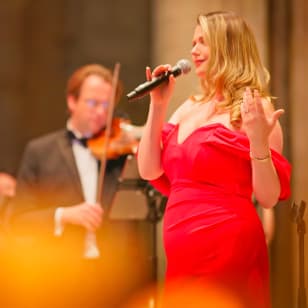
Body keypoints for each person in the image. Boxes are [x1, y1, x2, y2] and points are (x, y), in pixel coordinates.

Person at [137, 11, 291, 308]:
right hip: (182, 254)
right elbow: (148, 169)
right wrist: (158, 105)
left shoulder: (254, 108)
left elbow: (268, 197)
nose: (193, 51)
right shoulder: (187, 107)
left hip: (229, 245)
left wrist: (258, 141)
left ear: (228, 45)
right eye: (193, 42)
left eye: (203, 42)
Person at [5, 64, 149, 308]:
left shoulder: (120, 153)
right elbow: (18, 220)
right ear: (72, 101)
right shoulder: (41, 151)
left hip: (112, 277)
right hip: (59, 276)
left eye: (107, 106)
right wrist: (64, 215)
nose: (101, 113)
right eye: (93, 103)